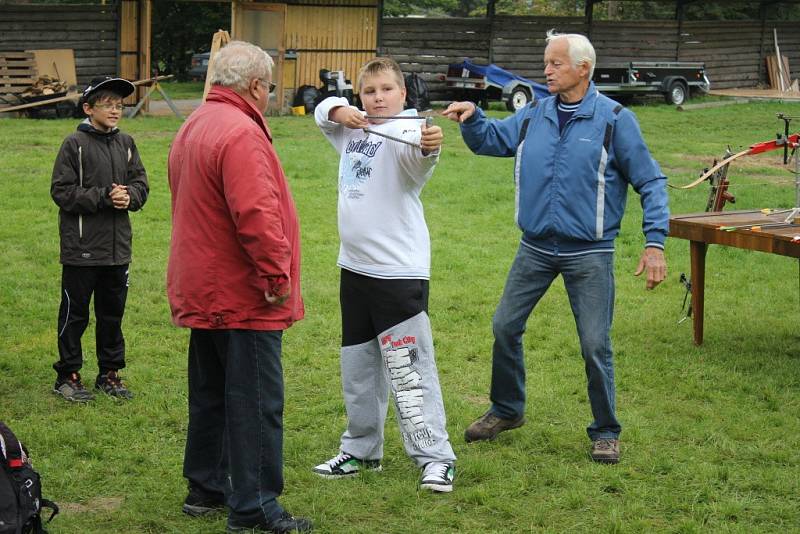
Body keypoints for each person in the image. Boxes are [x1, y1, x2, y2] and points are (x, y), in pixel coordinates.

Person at [443, 31, 669, 464]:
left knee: (593, 344)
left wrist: (654, 244)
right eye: (546, 62)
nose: (546, 70)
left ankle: (605, 431)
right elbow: (493, 140)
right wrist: (473, 118)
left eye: (556, 63)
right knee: (505, 326)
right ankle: (507, 410)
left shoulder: (614, 120)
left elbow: (651, 181)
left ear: (583, 68)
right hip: (535, 248)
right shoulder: (533, 116)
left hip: (590, 252)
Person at [166, 41, 311, 533]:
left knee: (211, 392)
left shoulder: (196, 124)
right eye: (269, 88)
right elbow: (256, 214)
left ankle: (206, 487)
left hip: (205, 286)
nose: (269, 97)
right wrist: (276, 275)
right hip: (241, 292)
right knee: (255, 402)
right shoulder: (240, 132)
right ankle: (255, 507)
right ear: (254, 85)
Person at [311, 57, 457, 492]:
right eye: (370, 91)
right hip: (353, 269)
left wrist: (430, 144)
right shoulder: (353, 129)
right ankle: (361, 449)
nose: (378, 98)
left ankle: (435, 458)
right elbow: (323, 113)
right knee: (358, 368)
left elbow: (421, 157)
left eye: (387, 90)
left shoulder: (410, 132)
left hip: (397, 274)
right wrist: (340, 111)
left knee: (407, 369)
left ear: (403, 95)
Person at [51, 76, 149, 402]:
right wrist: (104, 197)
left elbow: (141, 185)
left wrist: (129, 197)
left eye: (119, 105)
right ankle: (68, 375)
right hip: (81, 250)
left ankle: (110, 374)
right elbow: (62, 192)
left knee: (112, 315)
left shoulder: (127, 144)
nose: (115, 110)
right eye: (107, 104)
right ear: (88, 108)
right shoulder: (73, 145)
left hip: (117, 250)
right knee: (75, 314)